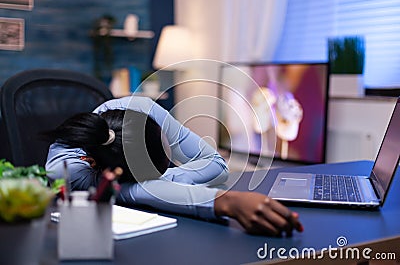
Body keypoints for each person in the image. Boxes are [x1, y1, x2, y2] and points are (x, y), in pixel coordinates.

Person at [45, 96, 303, 236]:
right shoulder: (70, 171)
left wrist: (161, 179)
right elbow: (135, 192)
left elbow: (215, 164)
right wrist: (226, 201)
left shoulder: (138, 111)